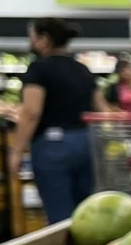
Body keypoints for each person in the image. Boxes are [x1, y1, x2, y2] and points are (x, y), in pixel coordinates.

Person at [10, 18, 106, 222]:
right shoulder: (82, 69)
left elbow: (31, 112)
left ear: (44, 39)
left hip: (53, 147)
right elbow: (102, 110)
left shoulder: (39, 69)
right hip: (86, 142)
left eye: (32, 37)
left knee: (59, 216)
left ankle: (62, 243)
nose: (31, 42)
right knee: (85, 214)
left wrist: (17, 150)